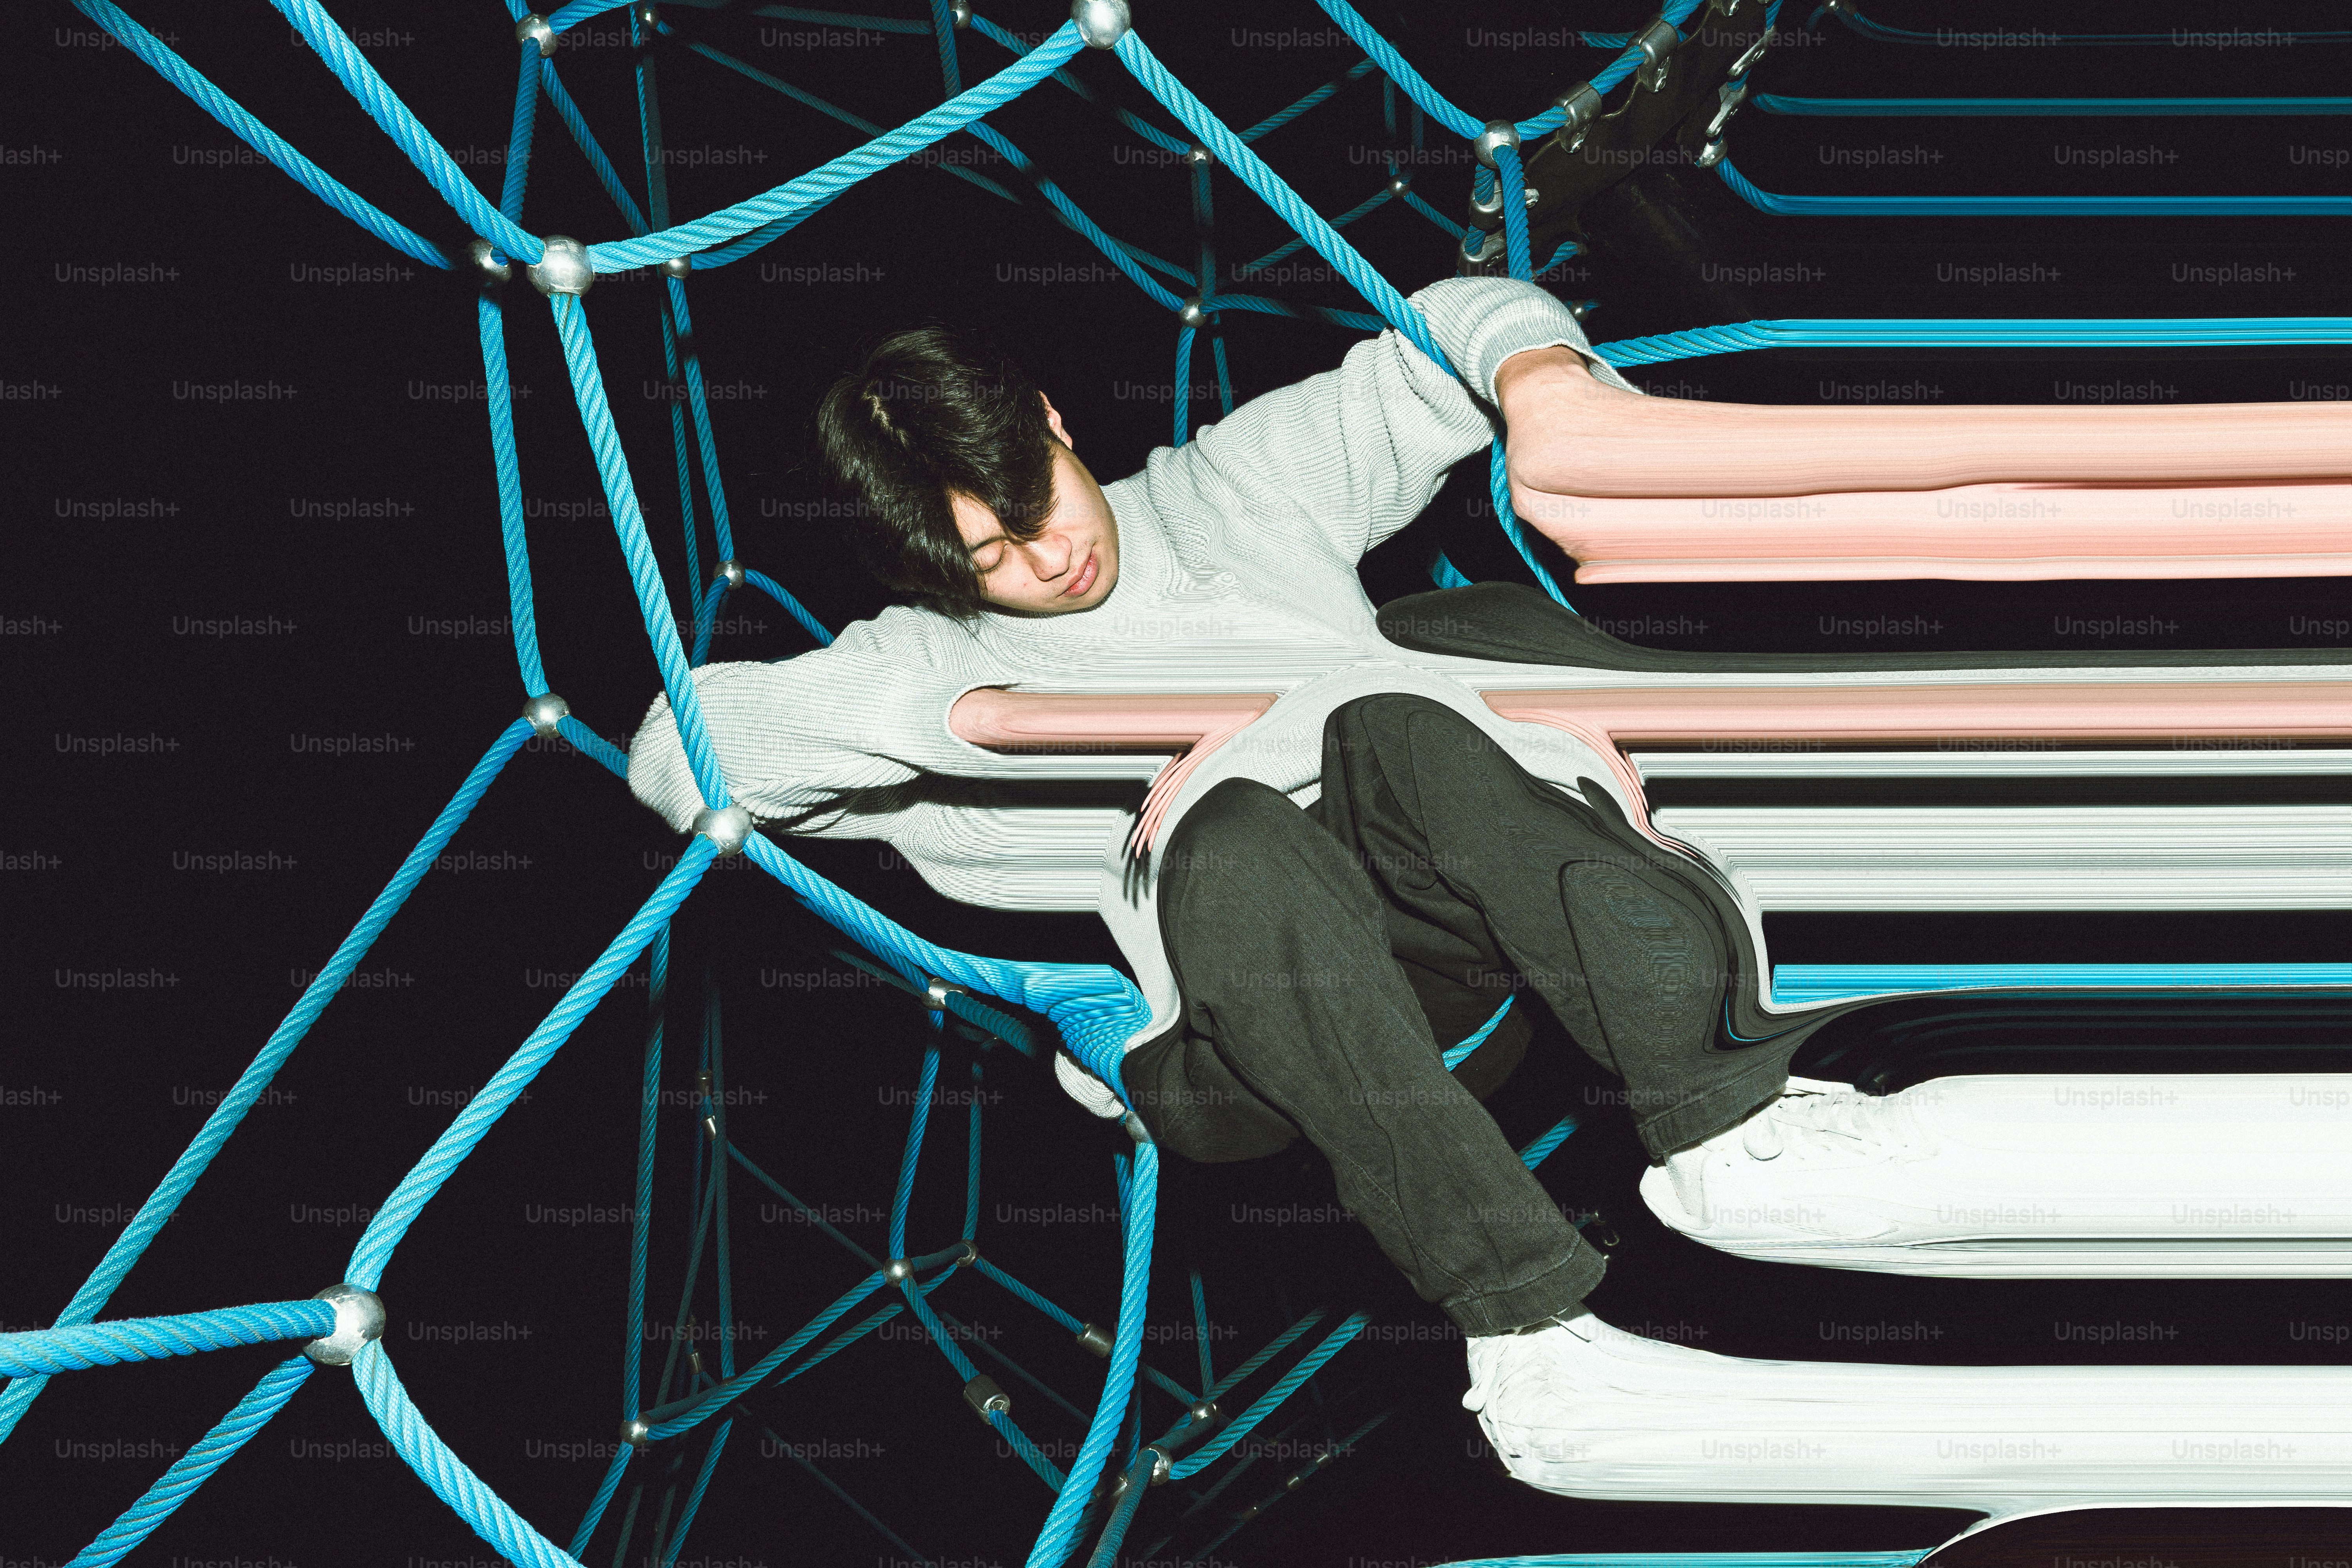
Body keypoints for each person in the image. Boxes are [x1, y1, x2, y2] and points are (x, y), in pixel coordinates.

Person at [623, 276, 2345, 1489]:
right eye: (988, 556)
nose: (1044, 559)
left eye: (1038, 504)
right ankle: (1531, 1340)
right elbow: (673, 756)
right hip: (1235, 1023)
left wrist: (1545, 381)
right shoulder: (931, 663)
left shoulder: (1230, 494)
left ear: (1058, 425)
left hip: (1451, 960)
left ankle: (1728, 1124)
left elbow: (1456, 320)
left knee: (1401, 717)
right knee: (1230, 829)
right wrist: (956, 707)